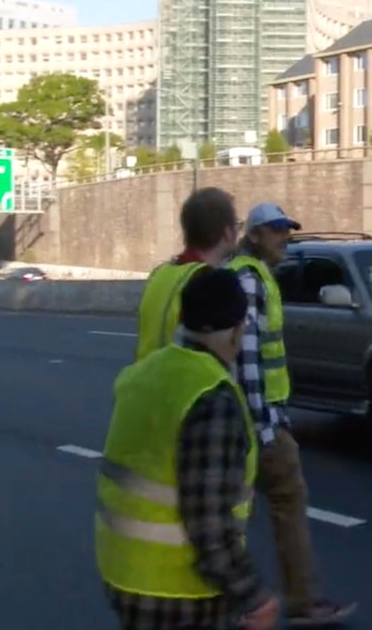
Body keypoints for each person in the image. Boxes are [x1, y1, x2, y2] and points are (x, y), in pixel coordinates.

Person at [98, 267, 280, 630]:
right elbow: (209, 523)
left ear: (183, 318)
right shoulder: (210, 395)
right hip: (177, 590)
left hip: (122, 571)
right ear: (238, 328)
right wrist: (252, 596)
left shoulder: (142, 374)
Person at [228, 202, 357, 626]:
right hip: (260, 420)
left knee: (242, 511)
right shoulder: (249, 279)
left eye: (287, 229)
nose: (285, 237)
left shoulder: (256, 276)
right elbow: (247, 356)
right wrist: (266, 424)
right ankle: (302, 601)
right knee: (287, 500)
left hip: (260, 415)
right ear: (254, 235)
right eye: (276, 230)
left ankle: (236, 601)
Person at [135, 187, 240, 361]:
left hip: (148, 383)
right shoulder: (208, 284)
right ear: (228, 232)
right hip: (187, 385)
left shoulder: (160, 274)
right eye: (237, 224)